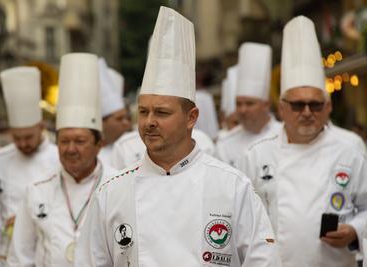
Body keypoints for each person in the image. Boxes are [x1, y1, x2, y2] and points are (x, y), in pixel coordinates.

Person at [75, 7, 281, 267]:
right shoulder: (111, 192)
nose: (149, 121)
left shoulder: (232, 187)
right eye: (143, 111)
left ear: (191, 117)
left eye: (161, 112)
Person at [238, 16, 367, 267]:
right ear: (282, 109)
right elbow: (241, 219)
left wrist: (354, 229)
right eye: (297, 105)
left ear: (328, 107)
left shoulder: (350, 148)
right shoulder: (255, 155)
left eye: (315, 104)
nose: (307, 112)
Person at [6, 53, 116, 266]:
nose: (71, 149)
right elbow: (20, 257)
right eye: (64, 141)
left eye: (80, 141)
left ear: (99, 144)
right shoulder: (36, 189)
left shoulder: (118, 186)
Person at [0, 67, 59, 267]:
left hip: (46, 253)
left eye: (28, 137)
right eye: (17, 137)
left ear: (41, 127)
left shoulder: (58, 158)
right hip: (2, 253)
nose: (23, 143)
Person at [216, 42, 281, 167]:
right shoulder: (225, 145)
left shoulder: (284, 136)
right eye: (239, 104)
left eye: (249, 104)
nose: (243, 110)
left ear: (266, 105)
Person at [97, 58, 131, 167]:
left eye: (126, 118)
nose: (126, 123)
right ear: (102, 122)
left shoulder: (133, 149)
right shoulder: (91, 156)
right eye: (119, 119)